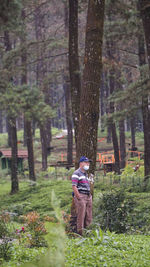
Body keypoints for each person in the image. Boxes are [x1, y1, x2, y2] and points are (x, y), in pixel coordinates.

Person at [72, 156, 92, 235]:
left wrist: (90, 196)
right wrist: (78, 197)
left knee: (89, 216)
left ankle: (89, 233)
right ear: (81, 163)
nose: (88, 164)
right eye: (86, 162)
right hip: (81, 196)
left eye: (88, 162)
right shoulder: (76, 173)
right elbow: (74, 186)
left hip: (88, 196)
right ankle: (80, 234)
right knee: (81, 216)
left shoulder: (86, 174)